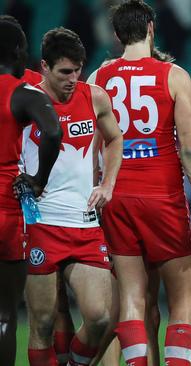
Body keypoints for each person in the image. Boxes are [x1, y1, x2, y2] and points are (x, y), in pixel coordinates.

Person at [88, 1, 191, 365]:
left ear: (116, 36)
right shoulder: (173, 76)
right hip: (162, 197)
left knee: (131, 298)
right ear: (151, 29)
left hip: (116, 196)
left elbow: (92, 149)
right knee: (183, 301)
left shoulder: (97, 79)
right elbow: (190, 149)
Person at [21, 27, 123, 366]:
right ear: (44, 67)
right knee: (43, 323)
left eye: (78, 70)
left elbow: (115, 139)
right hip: (40, 224)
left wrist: (107, 184)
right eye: (65, 71)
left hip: (84, 222)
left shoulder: (94, 97)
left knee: (99, 318)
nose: (73, 78)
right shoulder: (25, 102)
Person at [0, 15, 62, 366]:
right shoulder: (22, 93)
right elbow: (52, 132)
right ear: (17, 50)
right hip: (5, 206)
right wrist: (38, 179)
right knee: (4, 313)